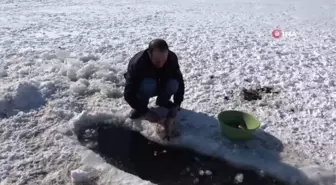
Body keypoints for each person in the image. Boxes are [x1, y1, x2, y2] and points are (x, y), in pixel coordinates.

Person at [123, 39, 185, 122]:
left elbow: (179, 81)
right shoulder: (137, 63)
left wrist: (177, 104)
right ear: (149, 54)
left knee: (173, 84)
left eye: (164, 60)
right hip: (144, 87)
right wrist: (145, 112)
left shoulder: (172, 58)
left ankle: (163, 101)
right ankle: (141, 106)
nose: (161, 64)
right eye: (157, 61)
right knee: (148, 84)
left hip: (161, 83)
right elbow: (128, 93)